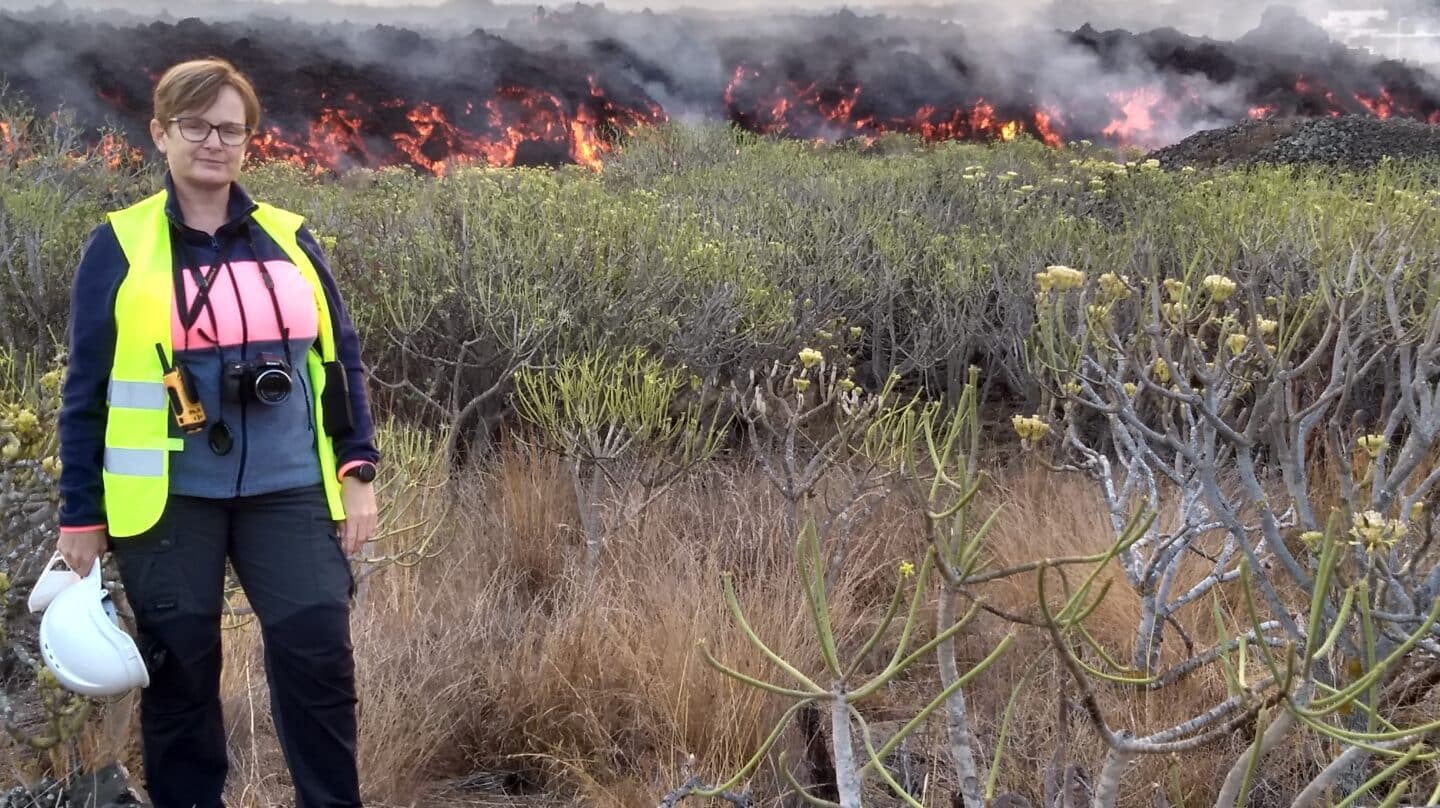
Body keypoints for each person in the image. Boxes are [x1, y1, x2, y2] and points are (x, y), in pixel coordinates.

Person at [54, 57, 380, 808]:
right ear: (161, 133)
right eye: (195, 126)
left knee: (318, 661)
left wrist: (357, 473)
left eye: (230, 129)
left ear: (248, 141)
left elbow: (340, 362)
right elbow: (85, 394)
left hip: (290, 490)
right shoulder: (120, 245)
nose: (213, 142)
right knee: (180, 679)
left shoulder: (292, 239)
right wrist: (80, 515)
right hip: (167, 503)